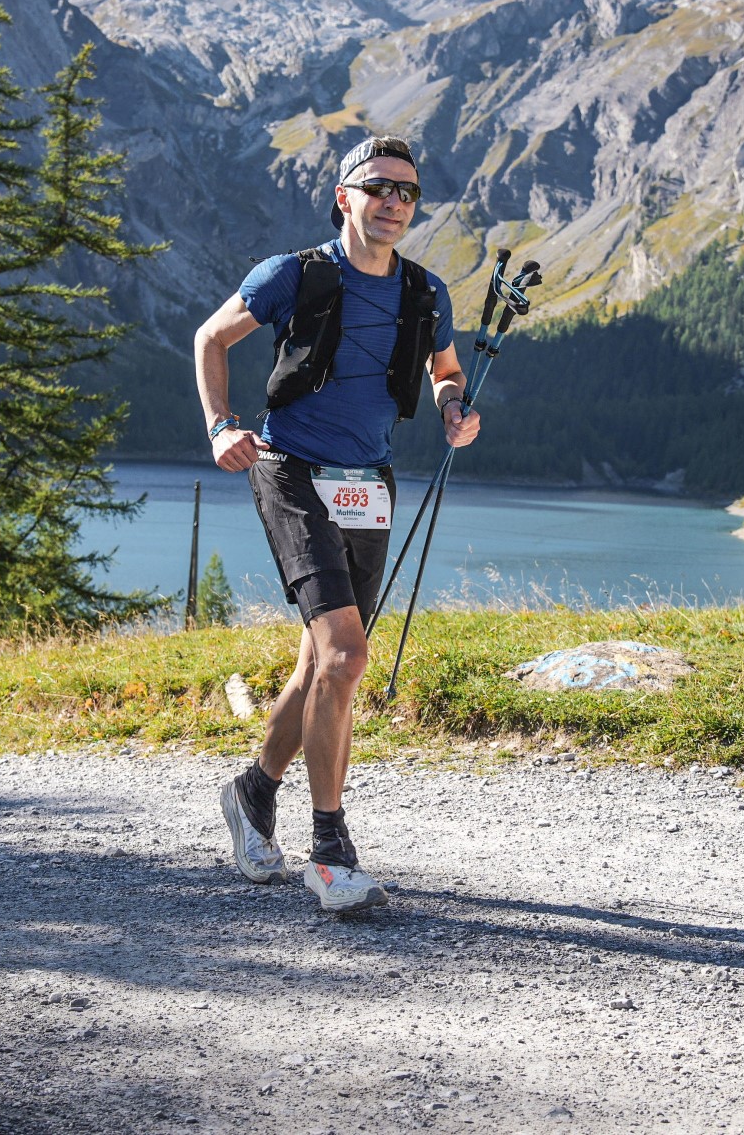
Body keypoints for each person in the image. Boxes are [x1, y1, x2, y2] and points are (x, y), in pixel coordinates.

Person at [194, 135, 479, 912]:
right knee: (348, 656)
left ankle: (253, 794)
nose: (395, 202)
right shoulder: (296, 274)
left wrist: (455, 407)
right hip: (290, 473)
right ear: (344, 196)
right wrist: (222, 424)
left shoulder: (425, 292)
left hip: (369, 484)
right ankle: (330, 850)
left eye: (409, 192)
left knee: (320, 666)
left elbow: (445, 368)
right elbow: (210, 338)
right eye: (380, 186)